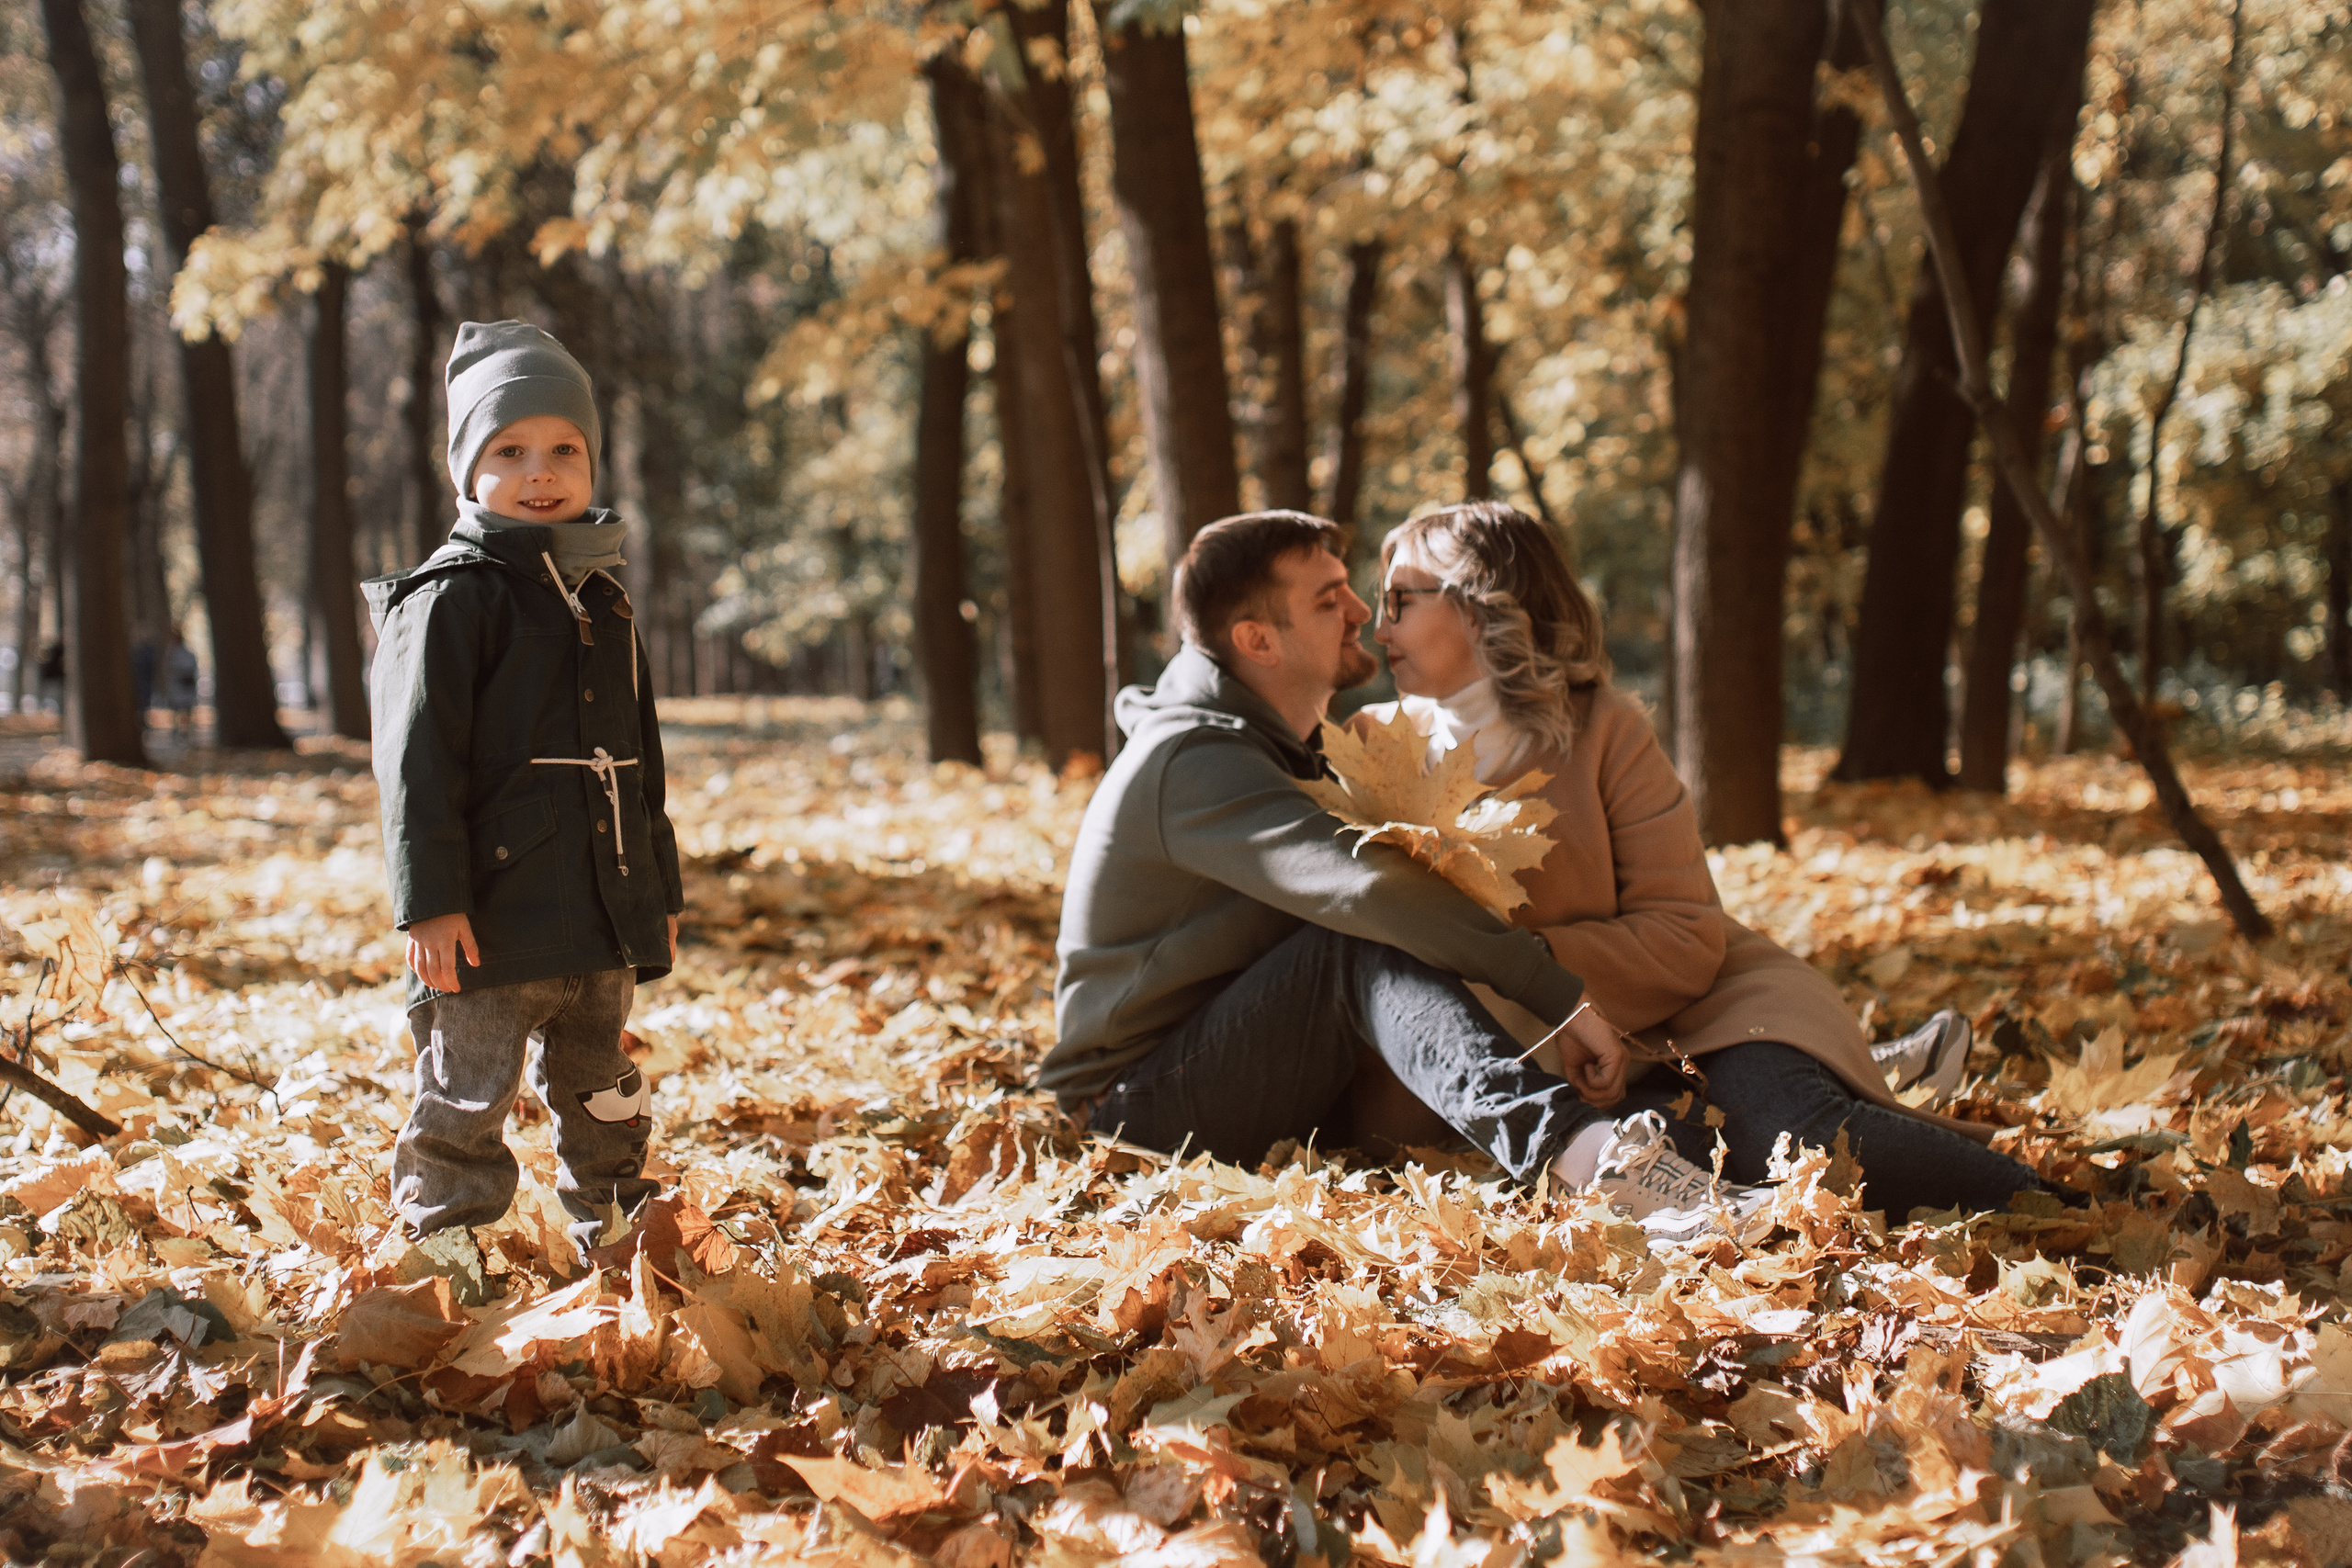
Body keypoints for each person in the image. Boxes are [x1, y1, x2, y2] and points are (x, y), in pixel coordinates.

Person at [1045, 510, 1776, 1245]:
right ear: (1256, 639)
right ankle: (1584, 1159)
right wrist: (1560, 997)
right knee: (1357, 938)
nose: (1363, 612)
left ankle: (1689, 1149)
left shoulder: (1279, 749)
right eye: (1330, 600)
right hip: (1132, 1103)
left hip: (1241, 1056)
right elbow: (1367, 889)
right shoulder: (1198, 762)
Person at [1369, 500, 2056, 1221]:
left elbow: (1685, 933)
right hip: (1561, 1084)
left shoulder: (1604, 728)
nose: (1380, 626)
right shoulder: (1371, 749)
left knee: (1800, 1137)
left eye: (1400, 601)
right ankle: (1871, 1071)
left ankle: (2055, 1205)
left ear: (1480, 605)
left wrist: (1535, 978)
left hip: (1708, 1015)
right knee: (1659, 1159)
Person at [364, 320, 685, 1257]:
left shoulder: (604, 594)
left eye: (564, 449)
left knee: (607, 1096)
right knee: (467, 1099)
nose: (540, 470)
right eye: (509, 450)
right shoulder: (449, 596)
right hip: (492, 923)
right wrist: (430, 904)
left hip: (600, 912)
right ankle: (441, 1264)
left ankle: (622, 1250)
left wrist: (656, 890)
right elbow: (416, 766)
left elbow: (641, 761)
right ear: (466, 469)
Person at [161, 626, 199, 741]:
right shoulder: (171, 653)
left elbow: (192, 668)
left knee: (187, 710)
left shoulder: (187, 653)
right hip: (177, 686)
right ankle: (176, 732)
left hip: (186, 685)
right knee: (177, 710)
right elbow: (168, 670)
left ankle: (186, 732)